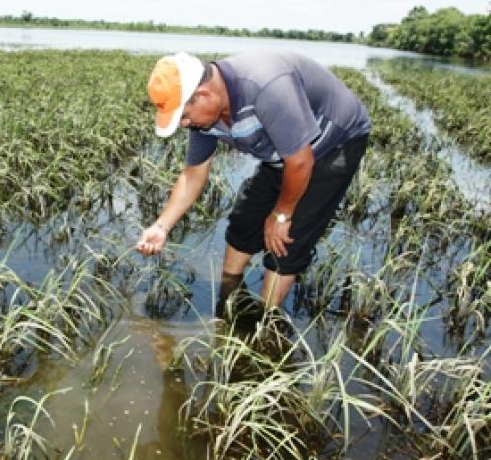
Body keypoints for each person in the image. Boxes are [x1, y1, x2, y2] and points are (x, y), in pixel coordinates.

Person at [136, 50, 371, 310]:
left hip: (333, 144)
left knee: (286, 241)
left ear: (204, 95)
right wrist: (161, 226)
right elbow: (194, 173)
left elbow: (301, 161)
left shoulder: (266, 85)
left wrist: (282, 215)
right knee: (244, 221)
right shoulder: (203, 119)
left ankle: (263, 323)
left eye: (183, 116)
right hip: (286, 153)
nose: (184, 124)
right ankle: (228, 300)